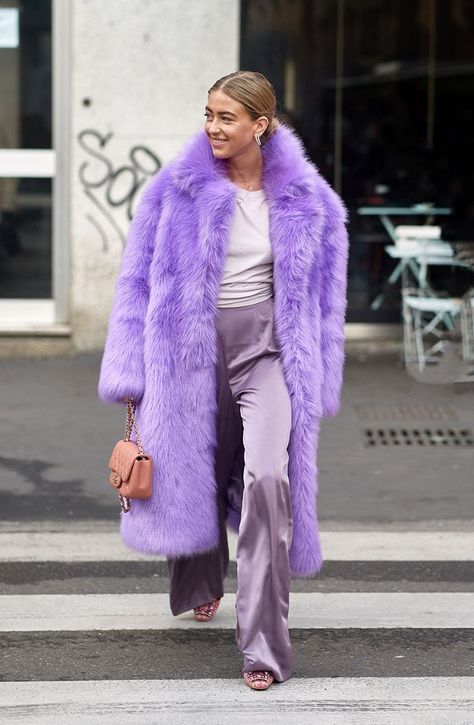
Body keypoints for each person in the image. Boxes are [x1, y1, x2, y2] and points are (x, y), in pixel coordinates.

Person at [98, 70, 349, 690]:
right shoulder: (174, 190)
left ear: (261, 125)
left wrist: (322, 374)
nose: (212, 126)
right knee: (194, 466)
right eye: (207, 114)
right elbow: (135, 284)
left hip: (267, 351)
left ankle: (263, 646)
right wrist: (129, 369)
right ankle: (200, 579)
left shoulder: (309, 202)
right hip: (188, 349)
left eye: (226, 118)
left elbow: (325, 301)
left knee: (269, 479)